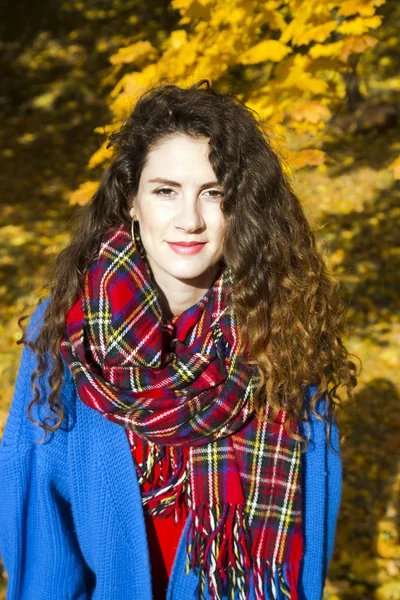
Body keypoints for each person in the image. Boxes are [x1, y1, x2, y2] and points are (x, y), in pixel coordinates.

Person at [0, 79, 357, 600]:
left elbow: (311, 518)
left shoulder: (283, 328)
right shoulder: (66, 331)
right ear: (131, 201)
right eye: (165, 190)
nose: (189, 220)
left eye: (214, 194)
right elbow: (42, 532)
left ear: (243, 209)